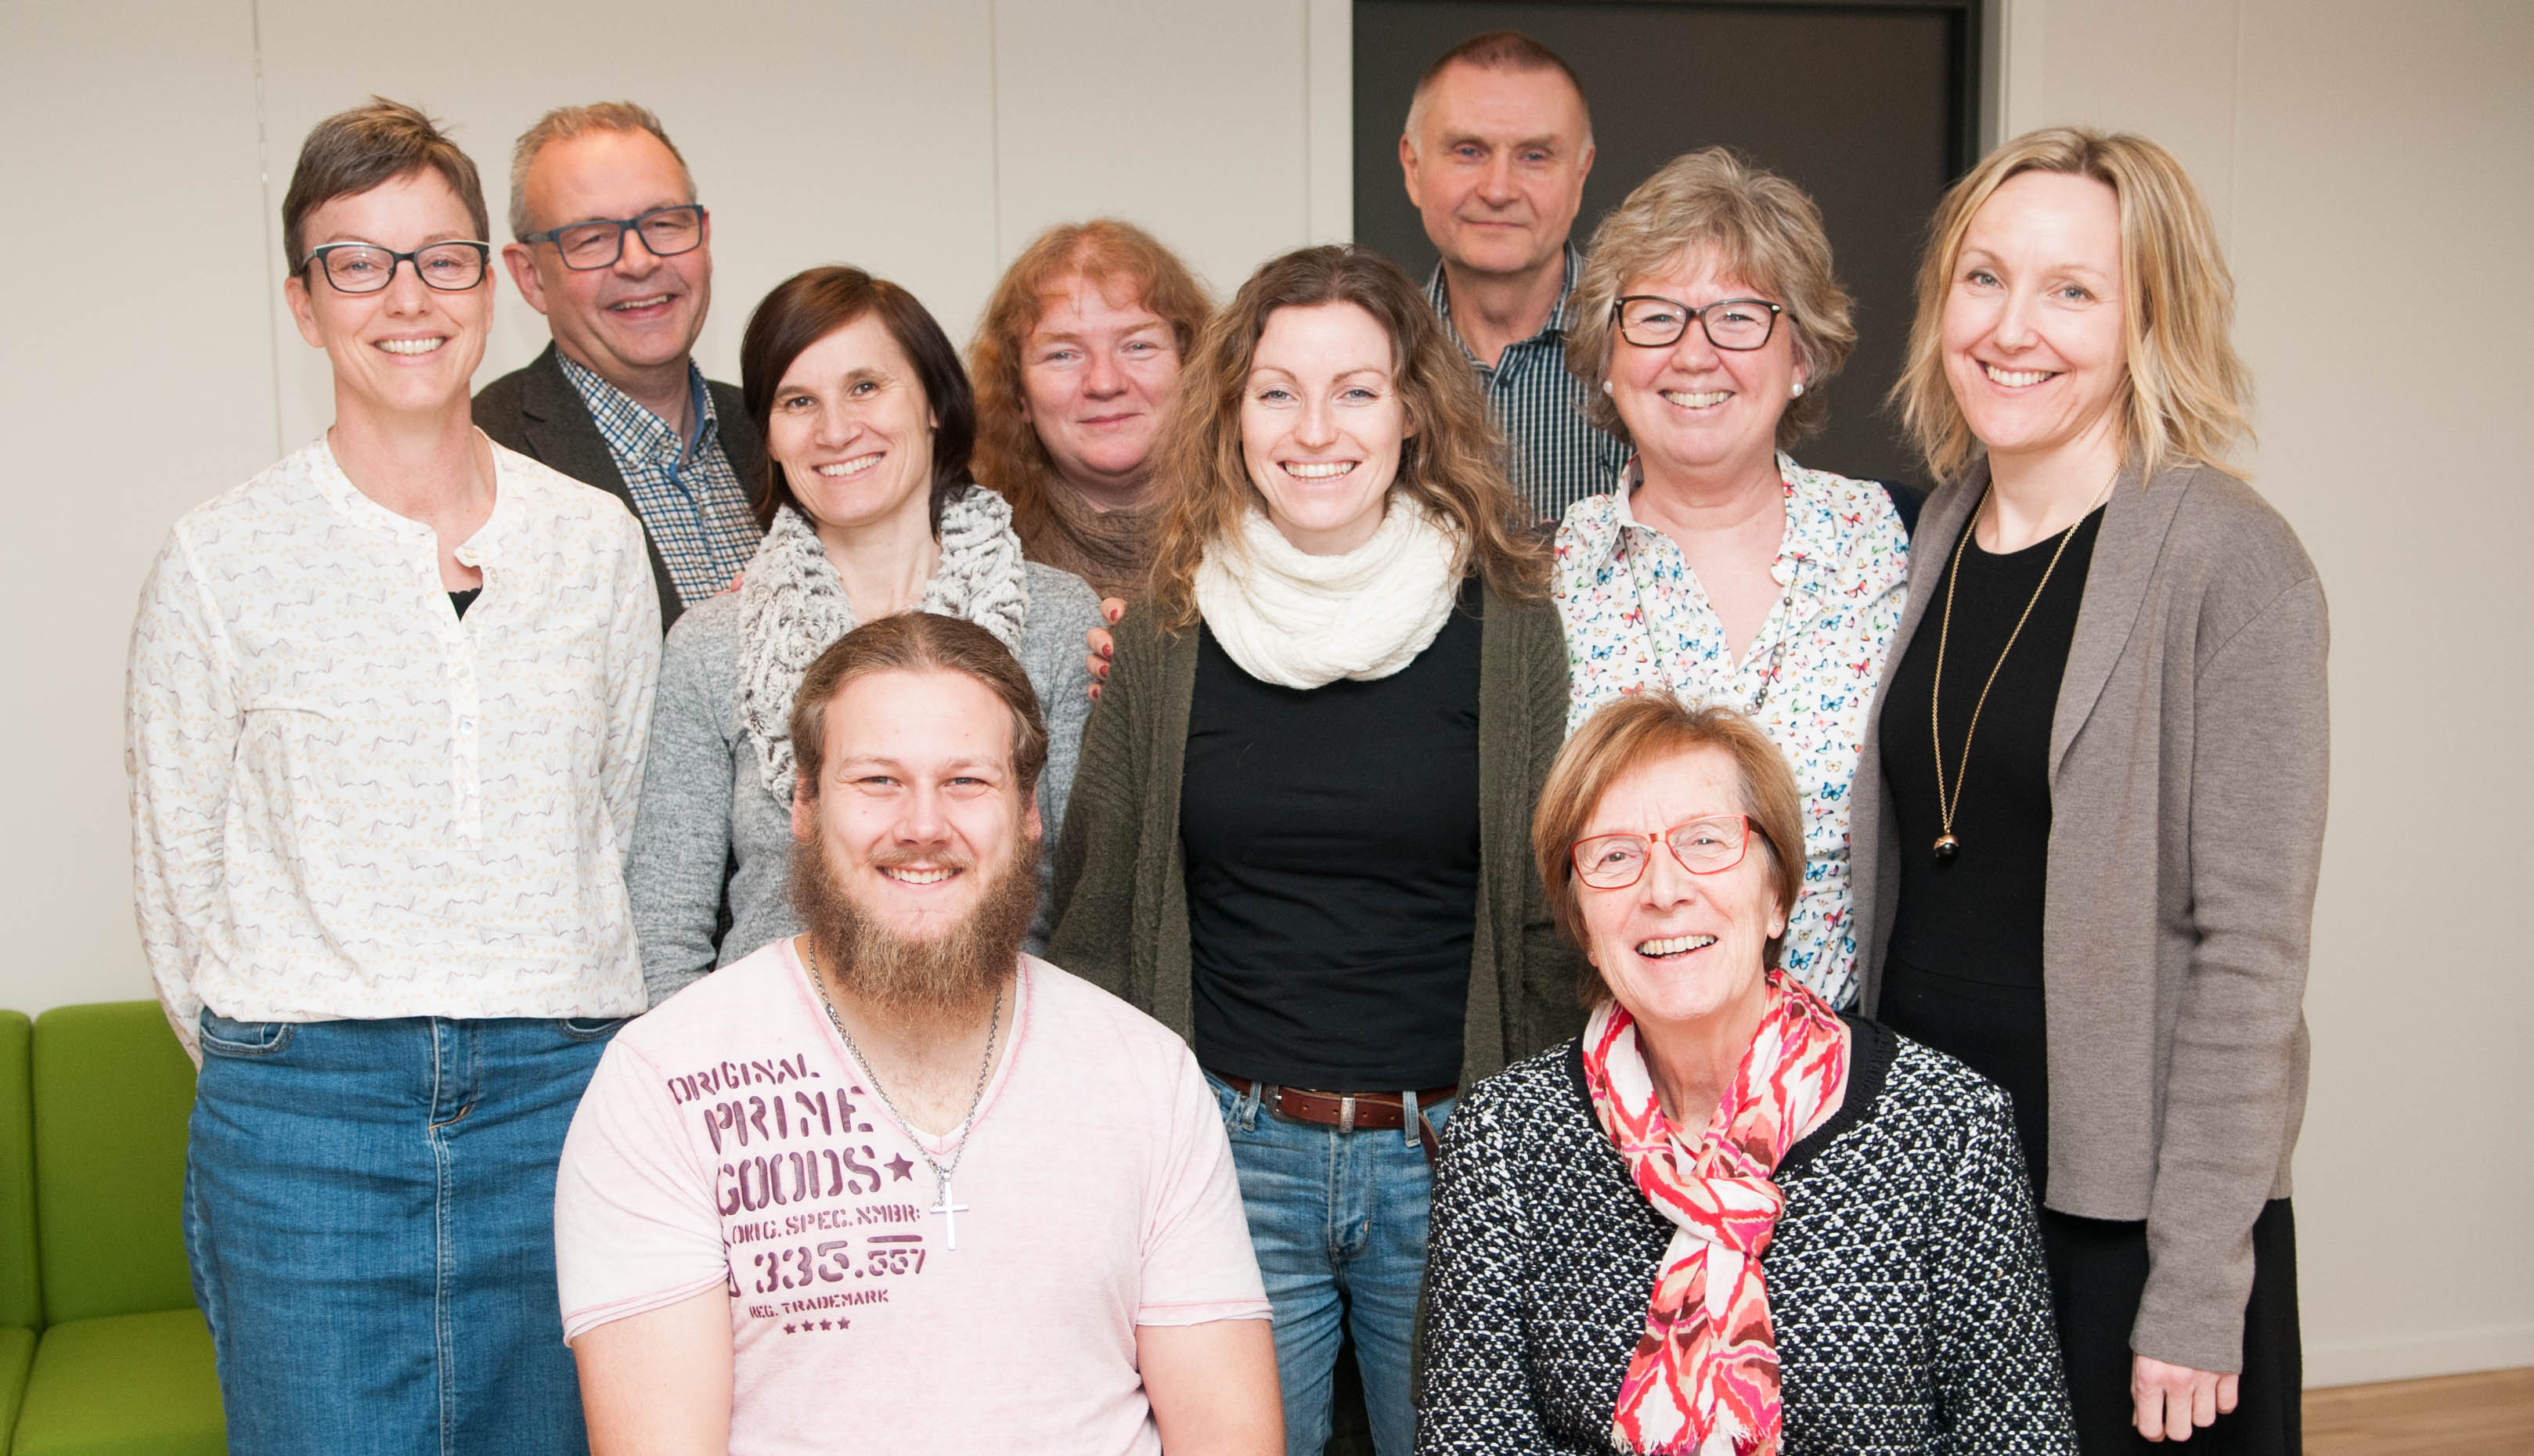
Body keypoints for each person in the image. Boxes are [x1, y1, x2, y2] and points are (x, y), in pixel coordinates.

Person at [126, 100, 658, 1454]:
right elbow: (174, 876)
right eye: (357, 264)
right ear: (305, 304)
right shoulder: (218, 558)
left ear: (491, 281)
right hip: (305, 1116)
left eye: (440, 258)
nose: (404, 298)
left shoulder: (593, 547)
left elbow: (630, 823)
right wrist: (296, 1050)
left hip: (561, 1099)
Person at [1049, 243, 1581, 1456]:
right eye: (1277, 390)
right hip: (1225, 1166)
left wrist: (1533, 1167)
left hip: (1454, 1162)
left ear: (1412, 411)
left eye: (1355, 389)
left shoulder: (1508, 620)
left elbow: (1550, 928)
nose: (1314, 429)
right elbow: (1095, 910)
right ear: (1233, 414)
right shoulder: (1171, 625)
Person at [1852, 128, 2326, 1454]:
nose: (2015, 328)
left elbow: (2250, 961)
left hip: (2122, 1221)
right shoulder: (1933, 529)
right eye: (1984, 279)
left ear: (2146, 321)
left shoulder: (2229, 563)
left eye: (2072, 290)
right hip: (1937, 1199)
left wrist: (2194, 1286)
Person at [559, 613, 1280, 1455]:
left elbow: (1230, 1440)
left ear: (1028, 810)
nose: (924, 825)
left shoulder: (1148, 1075)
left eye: (967, 782)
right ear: (803, 803)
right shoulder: (664, 1083)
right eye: (878, 781)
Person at [1416, 694, 2077, 1455]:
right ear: (1583, 928)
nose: (1663, 890)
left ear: (1777, 896)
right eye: (1615, 856)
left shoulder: (1949, 1130)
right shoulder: (1504, 1137)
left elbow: (2022, 1442)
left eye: (1705, 841)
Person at [628, 265, 1101, 1006]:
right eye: (797, 401)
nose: (836, 430)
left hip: (998, 1050)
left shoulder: (1057, 618)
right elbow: (664, 932)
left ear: (936, 404)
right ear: (772, 433)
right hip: (774, 1070)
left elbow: (1086, 902)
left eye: (865, 387)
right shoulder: (713, 644)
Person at [1557, 147, 1910, 1011]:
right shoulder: (1542, 578)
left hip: (1851, 1084)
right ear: (1608, 355)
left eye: (1740, 318)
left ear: (1802, 358)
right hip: (1617, 1093)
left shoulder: (1903, 545)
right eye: (1655, 318)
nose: (1695, 353)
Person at [475, 101, 763, 629]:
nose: (639, 261)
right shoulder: (480, 458)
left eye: (665, 223)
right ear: (531, 277)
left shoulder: (780, 430)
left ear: (704, 237)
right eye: (592, 239)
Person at [1400, 31, 1624, 521]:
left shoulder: (1652, 349)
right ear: (1413, 168)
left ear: (1580, 173)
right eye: (1468, 151)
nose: (1498, 190)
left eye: (1535, 156)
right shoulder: (1375, 356)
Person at [968, 219, 1212, 600]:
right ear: (1018, 392)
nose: (1104, 383)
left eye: (1138, 346)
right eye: (1063, 354)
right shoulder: (970, 559)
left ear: (1192, 364)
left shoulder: (1274, 533)